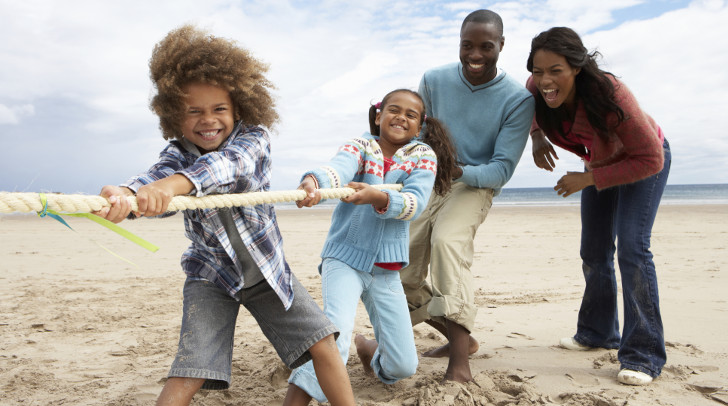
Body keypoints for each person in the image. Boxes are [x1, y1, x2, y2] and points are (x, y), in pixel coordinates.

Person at [92, 25, 355, 406]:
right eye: (193, 111)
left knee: (324, 342)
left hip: (268, 272)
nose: (207, 120)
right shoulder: (177, 154)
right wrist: (128, 196)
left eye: (219, 109)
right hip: (211, 276)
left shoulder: (253, 140)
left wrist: (170, 187)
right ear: (172, 116)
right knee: (190, 368)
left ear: (239, 109)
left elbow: (225, 167)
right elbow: (155, 177)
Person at [283, 89, 458, 405]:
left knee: (404, 365)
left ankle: (370, 351)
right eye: (393, 110)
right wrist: (315, 182)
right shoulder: (360, 147)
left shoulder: (422, 155)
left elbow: (415, 204)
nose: (400, 117)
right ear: (379, 116)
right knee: (333, 338)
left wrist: (377, 196)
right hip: (345, 259)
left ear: (420, 126)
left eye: (410, 114)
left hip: (386, 269)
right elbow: (338, 169)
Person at [525, 27, 671, 386]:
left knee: (633, 250)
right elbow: (519, 106)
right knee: (593, 250)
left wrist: (588, 179)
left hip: (643, 161)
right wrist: (537, 135)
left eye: (555, 70)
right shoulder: (536, 90)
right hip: (600, 164)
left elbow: (650, 157)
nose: (544, 81)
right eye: (538, 70)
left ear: (576, 67)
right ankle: (597, 332)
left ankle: (643, 355)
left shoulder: (610, 94)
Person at [399, 9, 535, 382]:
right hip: (430, 179)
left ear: (501, 46)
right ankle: (462, 339)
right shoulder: (434, 79)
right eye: (467, 45)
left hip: (474, 185)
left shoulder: (518, 100)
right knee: (400, 264)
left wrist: (456, 170)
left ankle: (459, 364)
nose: (475, 55)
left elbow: (501, 169)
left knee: (447, 242)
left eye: (486, 46)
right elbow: (417, 138)